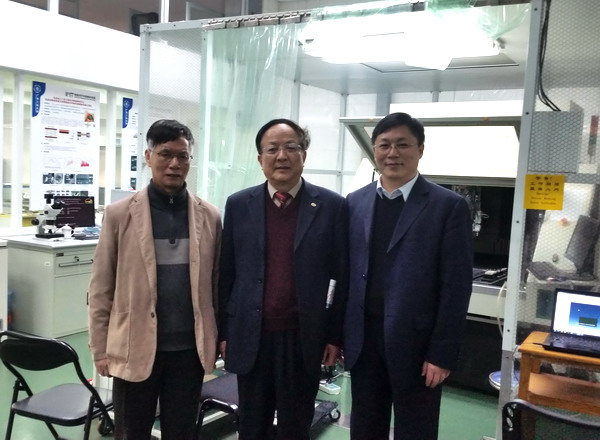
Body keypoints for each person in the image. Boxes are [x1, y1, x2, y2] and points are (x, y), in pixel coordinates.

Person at [88, 119, 222, 440]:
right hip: (134, 346)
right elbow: (101, 287)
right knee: (131, 432)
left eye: (183, 156)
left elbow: (217, 285)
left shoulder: (210, 216)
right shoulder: (119, 214)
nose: (174, 164)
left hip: (188, 352)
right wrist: (100, 350)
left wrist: (217, 339)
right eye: (165, 154)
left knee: (181, 432)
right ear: (148, 157)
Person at [343, 112, 473, 440]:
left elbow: (456, 288)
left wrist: (441, 354)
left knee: (416, 430)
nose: (393, 153)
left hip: (418, 347)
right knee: (364, 427)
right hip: (364, 343)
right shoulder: (355, 202)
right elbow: (346, 275)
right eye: (384, 145)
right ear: (374, 150)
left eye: (403, 144)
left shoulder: (448, 206)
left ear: (420, 149)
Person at [218, 118, 347, 440]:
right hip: (252, 334)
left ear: (304, 154)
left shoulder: (332, 206)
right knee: (252, 426)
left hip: (303, 338)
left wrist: (334, 336)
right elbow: (226, 273)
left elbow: (342, 276)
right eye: (272, 149)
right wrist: (223, 331)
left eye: (291, 147)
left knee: (295, 426)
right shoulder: (239, 204)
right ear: (260, 158)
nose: (281, 156)